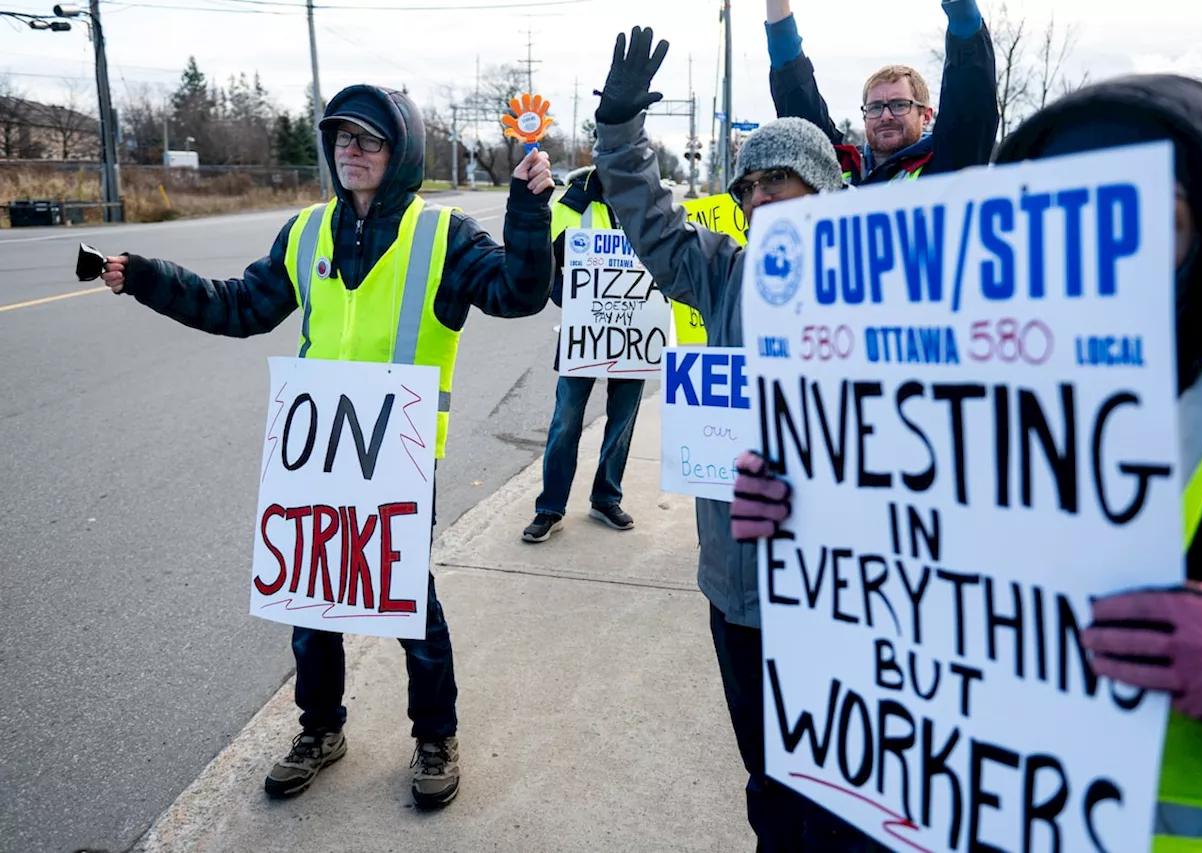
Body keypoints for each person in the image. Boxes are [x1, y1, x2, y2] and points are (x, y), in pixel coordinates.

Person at [733, 73, 1202, 851]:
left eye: (1146, 225)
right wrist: (800, 506)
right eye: (1063, 221)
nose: (1102, 258)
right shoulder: (947, 391)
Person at [98, 84, 555, 808]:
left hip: (394, 453)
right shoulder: (306, 232)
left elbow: (519, 293)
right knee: (312, 597)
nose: (351, 149)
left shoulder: (444, 237)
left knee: (403, 598)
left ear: (399, 150)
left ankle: (435, 733)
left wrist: (529, 211)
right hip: (314, 450)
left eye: (368, 139)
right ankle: (320, 729)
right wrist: (151, 278)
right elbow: (239, 305)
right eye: (341, 136)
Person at [592, 25, 891, 852]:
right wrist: (618, 131)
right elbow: (646, 217)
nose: (758, 198)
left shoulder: (883, 297)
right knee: (767, 780)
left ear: (826, 193)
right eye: (749, 186)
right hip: (739, 594)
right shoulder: (717, 270)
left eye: (780, 181)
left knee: (843, 796)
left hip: (843, 601)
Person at [523, 165, 645, 543]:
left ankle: (606, 497)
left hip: (635, 327)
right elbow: (547, 263)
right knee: (566, 420)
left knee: (622, 420)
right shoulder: (573, 203)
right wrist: (571, 300)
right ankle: (550, 508)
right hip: (584, 328)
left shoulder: (647, 200)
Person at [765, 0, 998, 185]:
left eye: (899, 104)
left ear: (926, 115)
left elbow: (970, 85)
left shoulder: (951, 161)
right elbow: (795, 89)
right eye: (875, 107)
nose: (885, 116)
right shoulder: (835, 166)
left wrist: (960, 9)